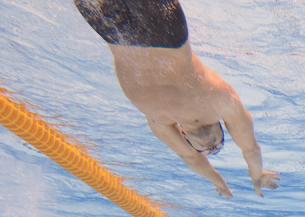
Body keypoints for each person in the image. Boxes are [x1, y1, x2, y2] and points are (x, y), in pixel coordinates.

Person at [74, 0, 278, 198]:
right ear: (184, 135)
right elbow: (194, 157)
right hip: (141, 37)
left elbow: (246, 149)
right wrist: (228, 179)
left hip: (145, 36)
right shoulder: (172, 116)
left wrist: (248, 176)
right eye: (214, 145)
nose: (208, 146)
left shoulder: (210, 105)